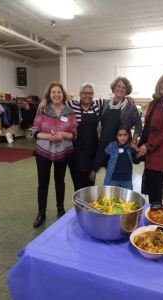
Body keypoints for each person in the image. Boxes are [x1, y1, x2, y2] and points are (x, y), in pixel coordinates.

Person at [32, 82, 77, 228]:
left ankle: (60, 209)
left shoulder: (69, 111)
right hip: (43, 152)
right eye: (53, 92)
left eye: (59, 92)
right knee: (43, 184)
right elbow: (34, 131)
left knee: (60, 182)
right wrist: (48, 137)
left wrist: (63, 134)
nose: (56, 95)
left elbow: (74, 134)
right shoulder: (43, 108)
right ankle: (41, 213)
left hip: (63, 152)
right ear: (49, 95)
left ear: (63, 94)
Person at [137, 74, 163, 204]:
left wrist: (147, 146)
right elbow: (148, 126)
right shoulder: (153, 102)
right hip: (150, 150)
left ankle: (158, 217)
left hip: (160, 151)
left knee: (155, 190)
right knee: (150, 186)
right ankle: (152, 214)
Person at [91, 77, 142, 180]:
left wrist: (133, 141)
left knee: (117, 178)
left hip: (120, 148)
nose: (121, 89)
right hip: (104, 145)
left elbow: (138, 125)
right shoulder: (105, 104)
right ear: (114, 88)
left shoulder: (130, 106)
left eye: (124, 87)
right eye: (118, 86)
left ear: (127, 90)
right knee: (96, 175)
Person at [67, 83, 103, 190]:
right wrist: (44, 101)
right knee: (78, 185)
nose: (87, 95)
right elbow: (56, 102)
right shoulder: (72, 105)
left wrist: (127, 99)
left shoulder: (97, 104)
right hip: (76, 152)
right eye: (84, 93)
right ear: (80, 94)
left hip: (93, 151)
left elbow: (115, 101)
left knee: (91, 185)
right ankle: (79, 206)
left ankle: (89, 206)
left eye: (90, 93)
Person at [102, 125, 139, 190]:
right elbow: (105, 160)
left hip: (127, 180)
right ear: (116, 136)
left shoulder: (130, 148)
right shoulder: (111, 146)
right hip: (113, 179)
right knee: (110, 198)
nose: (122, 137)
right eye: (120, 135)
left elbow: (136, 161)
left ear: (128, 135)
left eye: (125, 135)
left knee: (127, 199)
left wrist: (135, 150)